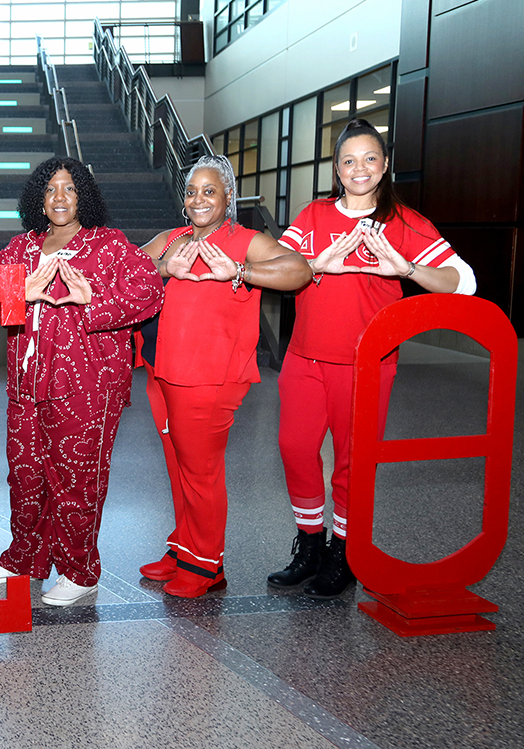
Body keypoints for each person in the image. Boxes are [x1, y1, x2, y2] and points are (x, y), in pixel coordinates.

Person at [268, 118, 477, 598]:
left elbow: (463, 280)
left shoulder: (401, 222)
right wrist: (317, 264)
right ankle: (310, 544)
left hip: (367, 364)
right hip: (304, 360)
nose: (358, 168)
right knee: (296, 449)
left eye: (369, 159)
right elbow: (275, 265)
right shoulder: (315, 216)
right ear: (337, 170)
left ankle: (346, 551)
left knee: (351, 463)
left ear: (384, 167)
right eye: (348, 161)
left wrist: (406, 268)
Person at [0, 157, 164, 606]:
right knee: (24, 475)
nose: (59, 198)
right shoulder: (22, 248)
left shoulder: (109, 245)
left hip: (88, 386)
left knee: (76, 478)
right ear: (38, 199)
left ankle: (80, 570)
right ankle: (24, 558)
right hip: (26, 384)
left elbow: (149, 293)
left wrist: (91, 298)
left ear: (84, 196)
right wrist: (17, 295)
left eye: (70, 189)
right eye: (50, 190)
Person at [136, 156, 311, 598]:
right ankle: (183, 547)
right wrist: (162, 267)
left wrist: (240, 272)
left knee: (201, 472)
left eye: (210, 191)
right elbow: (125, 274)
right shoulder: (172, 239)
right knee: (179, 466)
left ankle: (207, 564)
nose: (199, 199)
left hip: (208, 377)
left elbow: (299, 271)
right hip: (162, 368)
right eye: (192, 191)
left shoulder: (244, 241)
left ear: (228, 197)